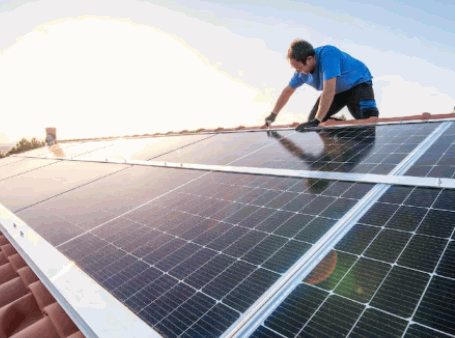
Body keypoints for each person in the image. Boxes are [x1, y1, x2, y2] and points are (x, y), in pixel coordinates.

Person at [265, 40, 379, 131]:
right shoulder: (301, 73)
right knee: (312, 122)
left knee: (368, 121)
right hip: (338, 92)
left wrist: (317, 120)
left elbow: (329, 90)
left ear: (309, 60)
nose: (298, 72)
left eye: (299, 68)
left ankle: (356, 125)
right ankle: (342, 130)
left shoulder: (328, 55)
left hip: (358, 83)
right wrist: (273, 115)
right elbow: (287, 91)